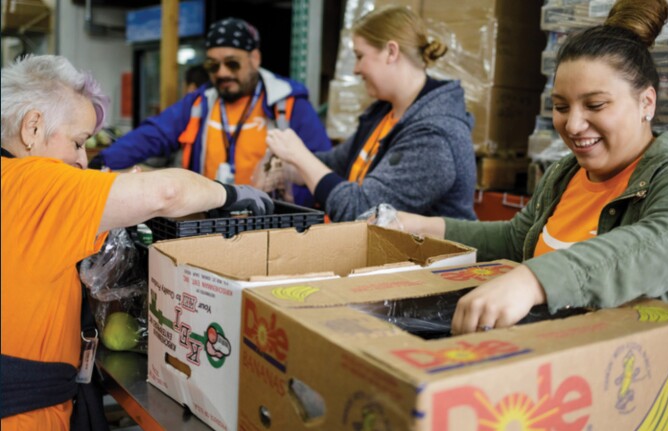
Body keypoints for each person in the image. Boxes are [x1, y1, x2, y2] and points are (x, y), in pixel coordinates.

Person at [381, 0, 668, 428]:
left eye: (595, 105)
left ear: (647, 102)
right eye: (562, 106)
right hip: (574, 386)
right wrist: (423, 226)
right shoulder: (566, 173)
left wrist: (533, 281)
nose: (572, 124)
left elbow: (662, 245)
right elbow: (518, 239)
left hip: (660, 395)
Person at [1, 54, 273, 430]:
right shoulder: (32, 183)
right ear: (32, 127)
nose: (82, 160)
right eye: (78, 142)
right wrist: (231, 195)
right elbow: (168, 191)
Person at [258, 6, 477, 222]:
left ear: (391, 52)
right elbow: (336, 163)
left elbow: (364, 213)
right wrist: (289, 167)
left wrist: (299, 156)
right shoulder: (383, 113)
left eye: (360, 56)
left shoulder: (435, 135)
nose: (356, 69)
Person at [90, 17, 332, 207]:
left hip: (270, 220)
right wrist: (102, 163)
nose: (222, 73)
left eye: (232, 63)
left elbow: (319, 162)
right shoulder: (200, 102)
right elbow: (154, 134)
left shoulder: (288, 104)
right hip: (211, 217)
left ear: (255, 58)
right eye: (213, 65)